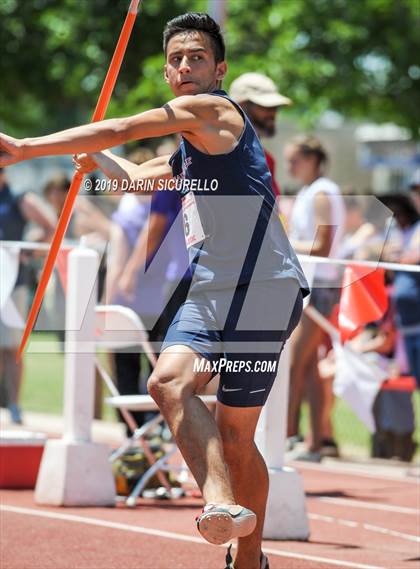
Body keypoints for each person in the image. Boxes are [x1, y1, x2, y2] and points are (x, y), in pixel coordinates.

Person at [0, 13, 309, 569]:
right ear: (166, 72)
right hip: (212, 290)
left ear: (219, 70)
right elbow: (135, 179)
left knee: (238, 435)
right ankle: (219, 504)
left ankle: (250, 557)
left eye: (196, 57)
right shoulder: (190, 151)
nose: (185, 65)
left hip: (264, 288)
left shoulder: (214, 111)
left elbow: (121, 129)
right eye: (176, 59)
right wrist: (94, 158)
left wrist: (25, 146)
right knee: (168, 382)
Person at [284, 135, 346, 461]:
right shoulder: (311, 191)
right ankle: (314, 442)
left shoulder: (322, 191)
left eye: (294, 159)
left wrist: (281, 244)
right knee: (306, 368)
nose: (290, 166)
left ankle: (290, 436)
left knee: (295, 363)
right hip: (311, 283)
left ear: (311, 159)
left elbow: (322, 245)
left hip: (320, 285)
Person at [0, 167, 55, 424]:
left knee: (11, 348)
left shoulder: (19, 198)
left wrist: (30, 252)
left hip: (12, 284)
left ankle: (13, 405)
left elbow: (52, 226)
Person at [229, 72, 292, 199]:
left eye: (275, 107)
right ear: (241, 106)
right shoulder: (218, 152)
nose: (273, 113)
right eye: (266, 106)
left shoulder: (267, 159)